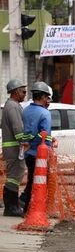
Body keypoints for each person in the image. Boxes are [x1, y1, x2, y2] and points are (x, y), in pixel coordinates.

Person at [20, 81, 54, 212]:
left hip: (28, 153)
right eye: (47, 97)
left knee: (31, 180)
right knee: (39, 182)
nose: (48, 100)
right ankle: (30, 208)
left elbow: (27, 132)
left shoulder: (26, 110)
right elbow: (44, 135)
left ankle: (26, 206)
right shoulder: (45, 113)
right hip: (40, 154)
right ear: (43, 97)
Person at [1, 79, 27, 216]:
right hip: (14, 148)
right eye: (23, 91)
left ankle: (13, 205)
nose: (25, 94)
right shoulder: (13, 106)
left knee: (15, 176)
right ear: (16, 91)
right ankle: (11, 207)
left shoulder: (12, 105)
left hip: (13, 147)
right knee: (14, 176)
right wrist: (25, 141)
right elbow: (18, 128)